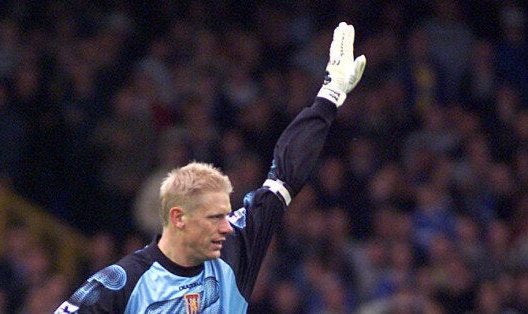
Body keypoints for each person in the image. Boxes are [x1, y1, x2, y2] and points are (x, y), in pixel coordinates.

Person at [55, 22, 366, 314]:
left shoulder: (235, 250)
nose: (228, 226)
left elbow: (286, 173)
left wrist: (330, 95)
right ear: (178, 217)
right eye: (215, 217)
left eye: (226, 214)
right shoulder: (123, 281)